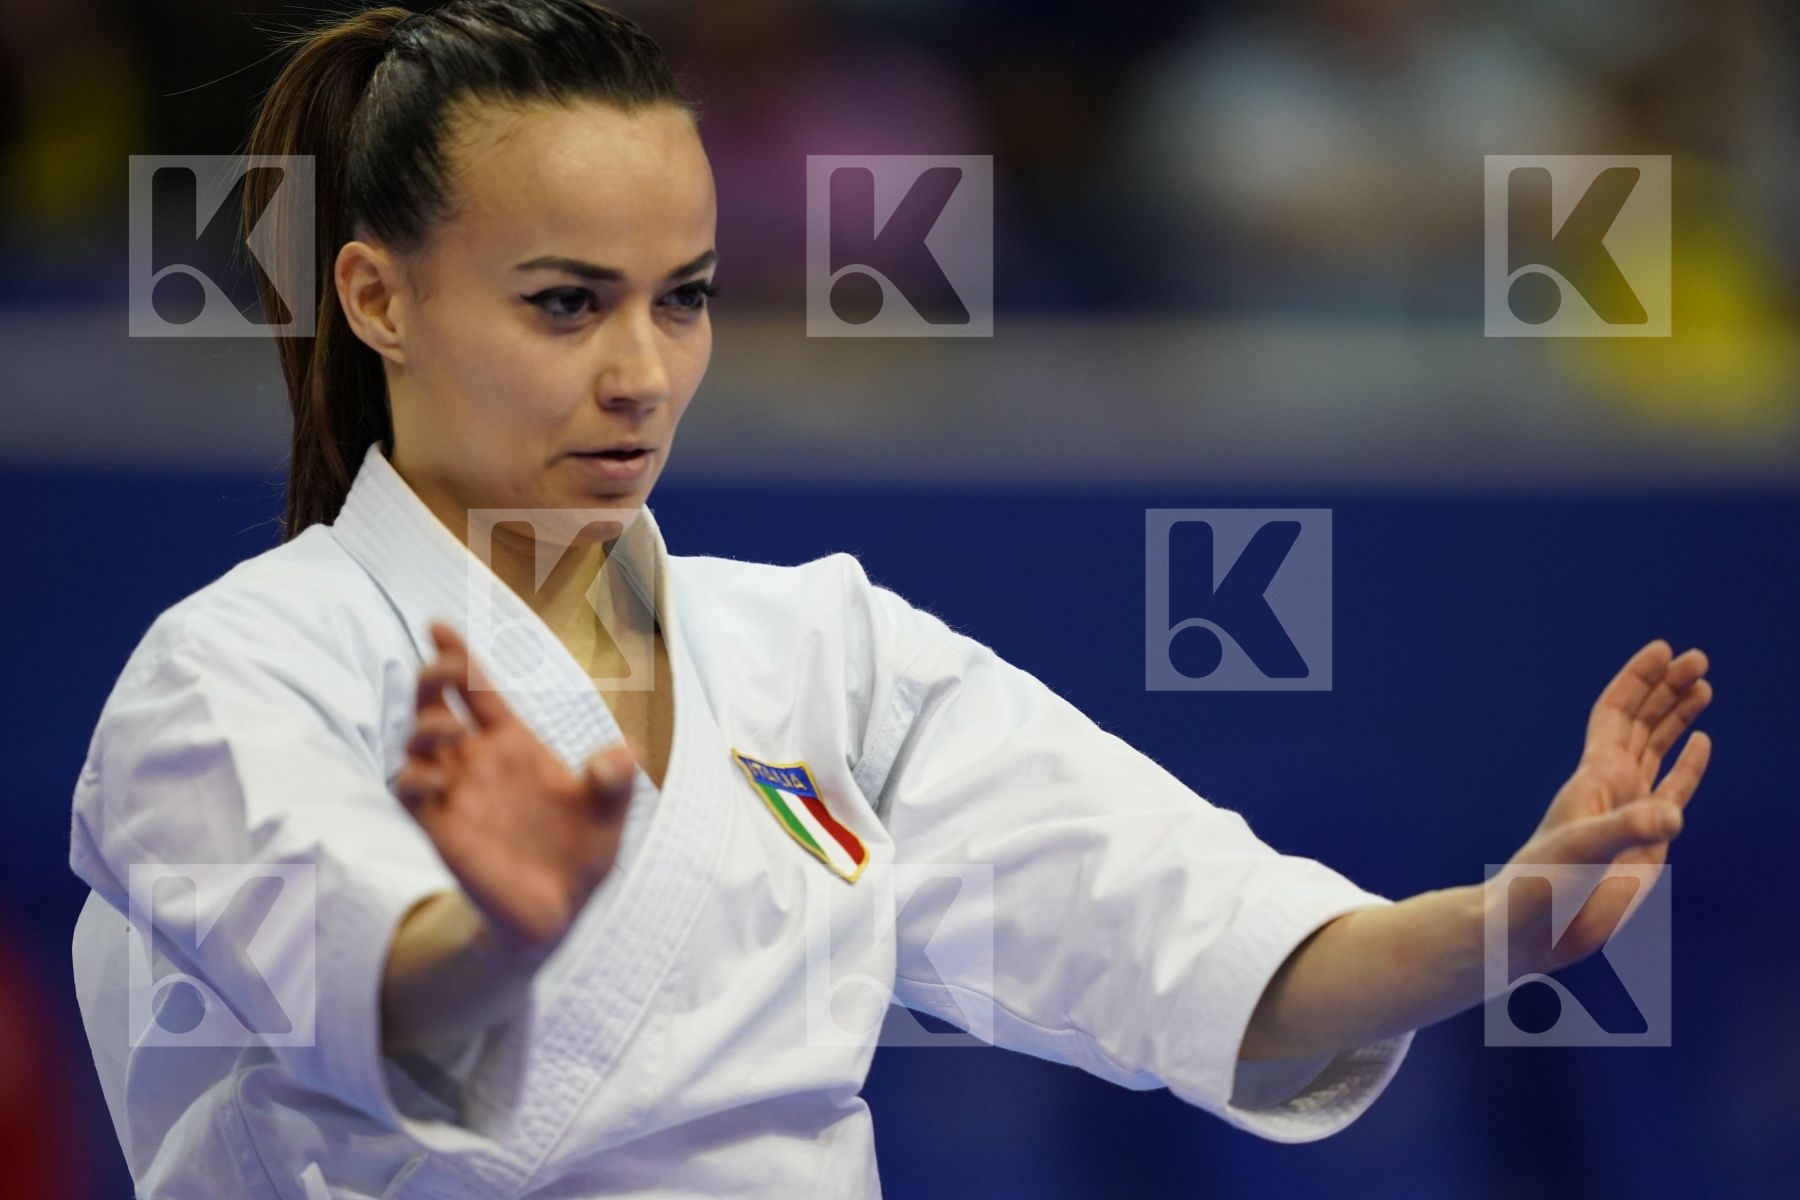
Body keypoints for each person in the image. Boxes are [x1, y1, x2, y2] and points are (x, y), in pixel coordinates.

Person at [67, 3, 1715, 1196]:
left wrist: (1500, 927)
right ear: (377, 295)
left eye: (685, 299)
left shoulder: (818, 651)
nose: (642, 374)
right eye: (567, 303)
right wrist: (494, 926)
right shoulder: (231, 672)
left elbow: (1181, 935)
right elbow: (351, 971)